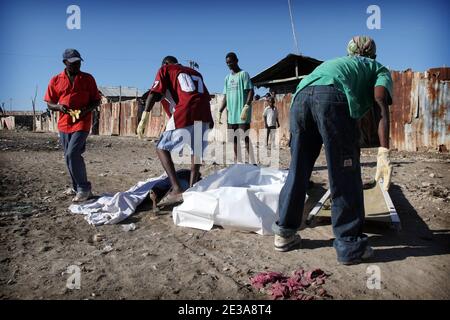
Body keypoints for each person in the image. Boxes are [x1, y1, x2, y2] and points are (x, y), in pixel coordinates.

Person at [272, 36, 393, 265]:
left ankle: (284, 234)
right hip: (331, 98)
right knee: (344, 172)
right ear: (373, 55)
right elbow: (379, 100)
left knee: (299, 169)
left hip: (299, 99)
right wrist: (384, 151)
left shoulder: (336, 64)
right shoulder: (378, 68)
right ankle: (350, 245)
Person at [137, 56, 213, 207]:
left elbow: (154, 93)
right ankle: (192, 189)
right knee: (195, 154)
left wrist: (144, 117)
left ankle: (177, 189)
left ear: (165, 64)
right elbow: (205, 96)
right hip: (204, 114)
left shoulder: (165, 69)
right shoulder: (195, 72)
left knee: (161, 148)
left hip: (186, 111)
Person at [44, 49, 101, 202]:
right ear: (65, 63)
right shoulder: (56, 80)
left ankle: (84, 188)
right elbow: (49, 103)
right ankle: (76, 187)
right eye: (73, 63)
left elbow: (96, 100)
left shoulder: (88, 79)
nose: (77, 65)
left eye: (78, 62)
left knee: (72, 154)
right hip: (64, 123)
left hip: (82, 121)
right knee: (69, 157)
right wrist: (59, 107)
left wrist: (85, 110)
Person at [218, 52, 254, 163]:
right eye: (227, 63)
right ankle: (238, 162)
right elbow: (226, 96)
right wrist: (220, 110)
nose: (229, 64)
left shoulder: (244, 74)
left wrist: (246, 106)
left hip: (242, 113)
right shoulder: (227, 78)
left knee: (245, 137)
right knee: (234, 139)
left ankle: (253, 162)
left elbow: (251, 91)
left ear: (236, 60)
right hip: (231, 115)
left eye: (231, 62)